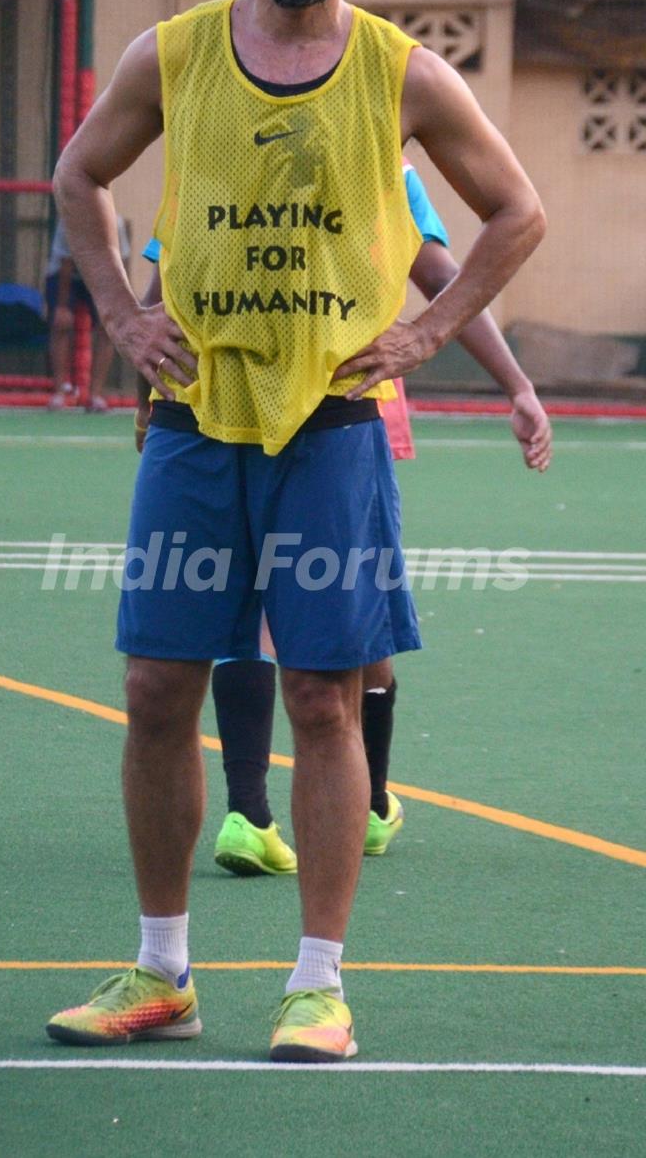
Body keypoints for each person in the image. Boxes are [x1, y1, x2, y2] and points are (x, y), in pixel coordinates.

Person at [46, 0, 546, 1063]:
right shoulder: (171, 56)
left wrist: (428, 332)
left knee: (325, 696)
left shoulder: (403, 71)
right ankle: (164, 972)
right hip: (193, 421)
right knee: (158, 688)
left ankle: (317, 984)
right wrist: (116, 308)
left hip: (330, 423)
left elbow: (517, 212)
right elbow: (77, 177)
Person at [135, 162, 552, 877]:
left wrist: (149, 389)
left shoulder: (220, 133)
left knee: (246, 601)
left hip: (217, 403)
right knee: (349, 611)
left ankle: (250, 811)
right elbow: (446, 281)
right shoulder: (385, 161)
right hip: (339, 405)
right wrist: (514, 382)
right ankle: (366, 799)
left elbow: (164, 277)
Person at [45, 214, 130, 410]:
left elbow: (121, 264)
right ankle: (59, 392)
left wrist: (120, 301)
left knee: (107, 327)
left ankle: (95, 394)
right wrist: (63, 307)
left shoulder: (114, 223)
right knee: (61, 324)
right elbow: (65, 264)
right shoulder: (69, 221)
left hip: (101, 275)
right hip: (65, 275)